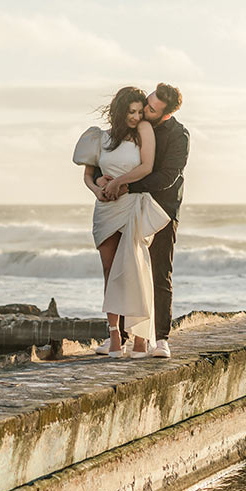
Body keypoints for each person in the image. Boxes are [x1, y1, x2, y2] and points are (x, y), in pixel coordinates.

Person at [75, 86, 171, 357]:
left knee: (134, 269)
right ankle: (114, 335)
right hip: (105, 208)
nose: (137, 116)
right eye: (131, 111)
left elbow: (146, 167)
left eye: (140, 111)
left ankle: (140, 336)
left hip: (131, 204)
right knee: (109, 271)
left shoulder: (143, 132)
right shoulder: (99, 138)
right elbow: (88, 176)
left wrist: (117, 181)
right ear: (119, 110)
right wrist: (98, 189)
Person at [94, 83, 187, 359]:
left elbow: (167, 176)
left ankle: (161, 339)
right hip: (128, 206)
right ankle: (120, 337)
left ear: (166, 114)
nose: (145, 111)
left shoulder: (179, 135)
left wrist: (128, 187)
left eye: (151, 109)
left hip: (161, 209)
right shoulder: (133, 126)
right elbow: (110, 160)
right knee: (124, 269)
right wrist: (102, 180)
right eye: (147, 103)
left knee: (159, 272)